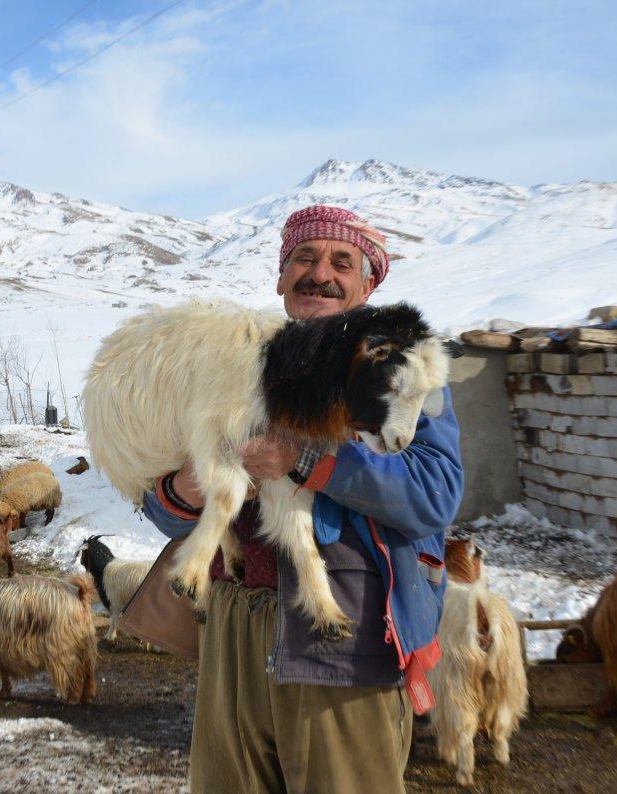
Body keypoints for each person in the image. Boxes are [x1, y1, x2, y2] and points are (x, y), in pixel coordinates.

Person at [142, 204, 463, 794]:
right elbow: (162, 512)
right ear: (281, 278)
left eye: (342, 263)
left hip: (344, 639)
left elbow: (434, 496)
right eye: (304, 259)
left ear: (369, 285)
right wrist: (185, 486)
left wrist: (306, 459)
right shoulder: (238, 360)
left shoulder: (405, 371)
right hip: (231, 634)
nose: (321, 273)